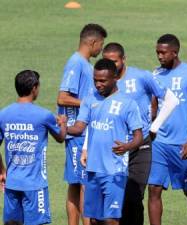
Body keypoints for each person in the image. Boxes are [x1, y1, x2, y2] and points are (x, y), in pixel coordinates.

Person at [100, 42, 179, 225]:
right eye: (106, 61)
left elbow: (171, 99)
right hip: (114, 149)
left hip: (140, 146)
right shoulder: (103, 83)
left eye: (114, 61)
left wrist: (154, 127)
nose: (111, 66)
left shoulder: (141, 77)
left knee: (133, 198)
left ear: (123, 59)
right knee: (112, 200)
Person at [67, 58, 143, 225]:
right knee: (94, 220)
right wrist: (63, 127)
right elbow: (79, 128)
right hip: (93, 169)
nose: (98, 84)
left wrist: (127, 146)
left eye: (102, 81)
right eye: (95, 80)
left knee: (111, 220)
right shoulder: (89, 100)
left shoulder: (128, 103)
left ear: (115, 77)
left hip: (115, 170)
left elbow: (139, 136)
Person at [147, 34, 187, 225]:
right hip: (160, 144)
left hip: (184, 144)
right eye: (157, 52)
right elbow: (153, 107)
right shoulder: (155, 75)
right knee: (154, 189)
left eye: (163, 52)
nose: (160, 56)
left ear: (175, 52)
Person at [0, 70, 67, 225]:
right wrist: (63, 122)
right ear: (34, 88)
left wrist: (2, 170)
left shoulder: (3, 114)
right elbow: (60, 138)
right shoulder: (43, 115)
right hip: (35, 185)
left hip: (12, 183)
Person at [57, 23, 107, 225]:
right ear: (93, 42)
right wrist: (89, 104)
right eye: (101, 44)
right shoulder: (76, 63)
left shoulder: (84, 64)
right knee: (85, 183)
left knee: (77, 183)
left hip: (82, 134)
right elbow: (62, 97)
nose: (101, 49)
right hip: (77, 134)